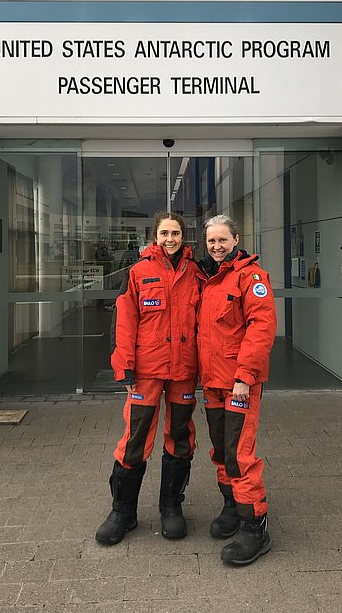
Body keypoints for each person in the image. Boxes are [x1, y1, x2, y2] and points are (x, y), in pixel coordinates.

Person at [95, 212, 203, 546]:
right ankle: (122, 511)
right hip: (146, 372)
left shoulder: (197, 274)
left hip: (184, 370)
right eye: (163, 233)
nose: (169, 238)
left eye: (175, 233)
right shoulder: (139, 272)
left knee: (180, 437)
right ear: (155, 236)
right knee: (135, 437)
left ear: (183, 236)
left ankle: (171, 506)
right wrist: (124, 368)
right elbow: (124, 323)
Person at [197, 214, 277, 566]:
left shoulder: (251, 277)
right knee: (221, 451)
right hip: (212, 382)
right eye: (211, 240)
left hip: (239, 384)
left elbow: (261, 329)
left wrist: (245, 376)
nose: (216, 246)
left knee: (240, 454)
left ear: (236, 239)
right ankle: (231, 505)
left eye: (222, 240)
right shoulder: (209, 278)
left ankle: (254, 527)